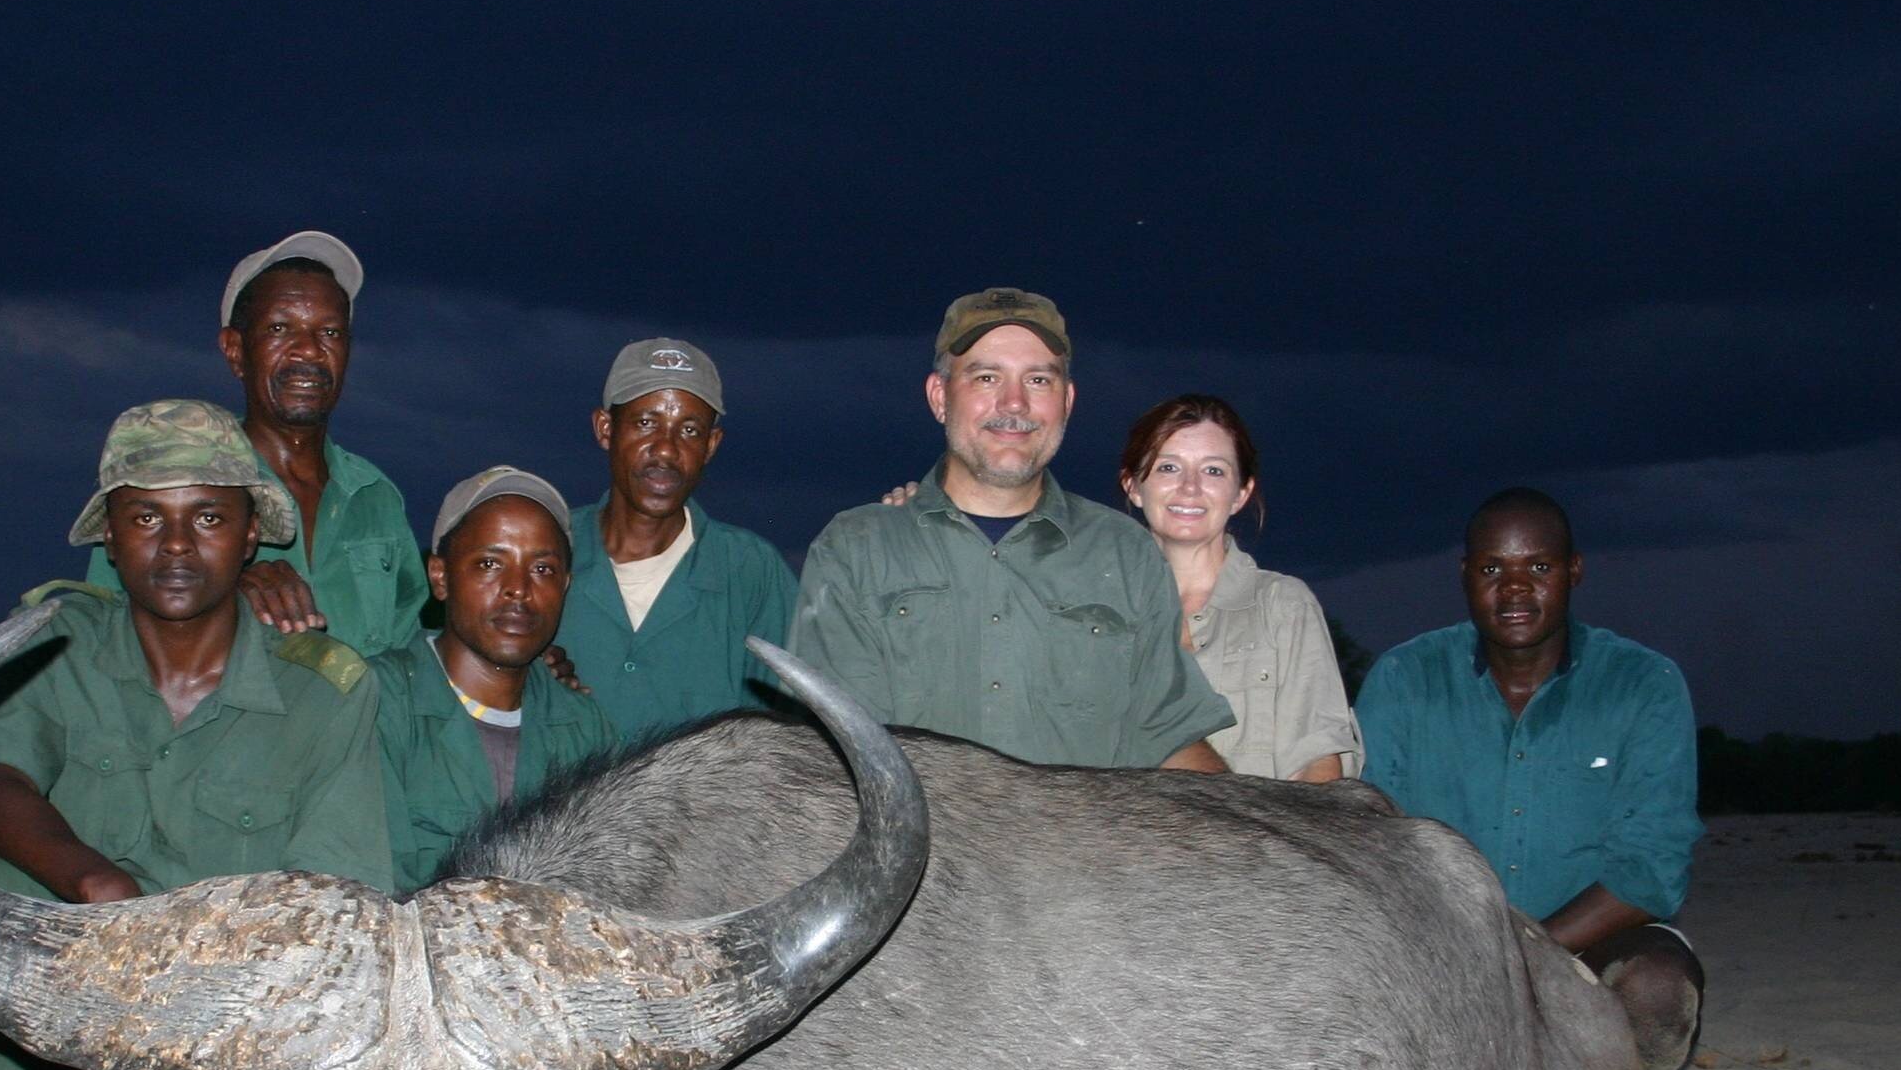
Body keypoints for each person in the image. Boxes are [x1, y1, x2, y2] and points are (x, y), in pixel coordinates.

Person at [0, 399, 399, 1070]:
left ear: (250, 534)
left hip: (238, 1022)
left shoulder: (328, 689)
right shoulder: (54, 647)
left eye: (209, 518)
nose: (179, 545)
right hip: (84, 1017)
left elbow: (338, 895)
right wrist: (93, 881)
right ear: (111, 540)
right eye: (147, 518)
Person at [789, 287, 1232, 769]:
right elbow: (836, 758)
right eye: (986, 377)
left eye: (1039, 379)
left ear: (1066, 400)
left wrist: (1255, 829)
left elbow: (1170, 741)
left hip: (1089, 844)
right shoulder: (855, 549)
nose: (1015, 402)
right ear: (940, 397)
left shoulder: (1126, 553)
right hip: (927, 845)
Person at [1356, 487, 1704, 1070]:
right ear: (1466, 576)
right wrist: (1462, 957)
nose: (1515, 588)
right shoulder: (1404, 679)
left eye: (1538, 567)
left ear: (1573, 572)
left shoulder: (1643, 683)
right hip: (1446, 948)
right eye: (1493, 568)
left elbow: (1652, 868)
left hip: (1585, 948)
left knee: (1657, 989)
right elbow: (1372, 837)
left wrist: (1525, 954)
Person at [86, 231, 429, 654]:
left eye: (331, 332)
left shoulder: (375, 496)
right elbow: (101, 635)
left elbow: (411, 655)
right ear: (235, 350)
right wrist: (219, 596)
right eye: (281, 328)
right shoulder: (172, 481)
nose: (309, 350)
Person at [374, 468, 618, 893]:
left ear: (565, 586)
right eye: (490, 563)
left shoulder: (585, 730)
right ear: (441, 576)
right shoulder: (376, 701)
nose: (518, 589)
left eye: (542, 569)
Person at [554, 338, 798, 745]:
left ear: (711, 446)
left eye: (689, 429)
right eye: (646, 422)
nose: (666, 450)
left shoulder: (752, 572)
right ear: (605, 429)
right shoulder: (545, 553)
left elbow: (790, 735)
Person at [1119, 393, 1360, 781]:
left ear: (1241, 493)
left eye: (1213, 471)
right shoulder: (1095, 610)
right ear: (1133, 485)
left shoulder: (1282, 605)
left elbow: (1319, 762)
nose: (1190, 488)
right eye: (1168, 467)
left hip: (1252, 838)